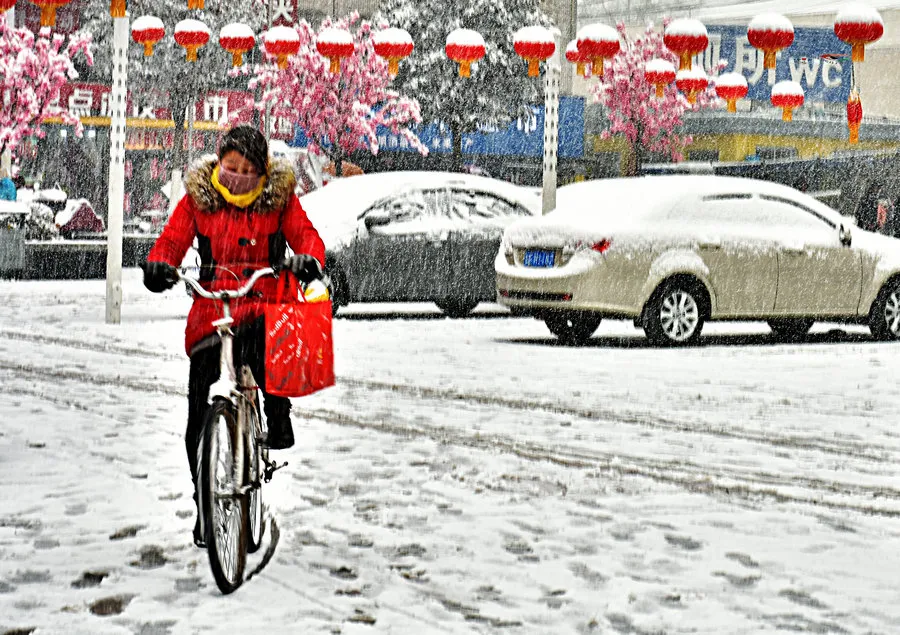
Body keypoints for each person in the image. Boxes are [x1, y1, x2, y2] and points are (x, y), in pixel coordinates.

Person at [141, 125, 325, 547]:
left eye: (247, 169)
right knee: (196, 416)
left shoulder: (280, 202)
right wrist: (159, 265)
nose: (237, 176)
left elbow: (306, 236)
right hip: (214, 309)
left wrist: (307, 259)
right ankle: (205, 504)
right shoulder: (198, 201)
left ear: (263, 173)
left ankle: (278, 414)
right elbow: (171, 240)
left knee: (267, 353)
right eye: (231, 167)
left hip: (264, 301)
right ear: (218, 163)